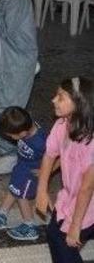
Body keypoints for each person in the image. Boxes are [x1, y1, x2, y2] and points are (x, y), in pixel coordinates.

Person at [36, 77, 94, 262]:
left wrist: (75, 225)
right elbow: (49, 155)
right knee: (56, 234)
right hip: (71, 197)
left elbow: (86, 188)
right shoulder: (62, 124)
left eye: (61, 97)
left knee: (63, 243)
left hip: (88, 204)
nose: (53, 100)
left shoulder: (91, 142)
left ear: (78, 103)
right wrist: (41, 190)